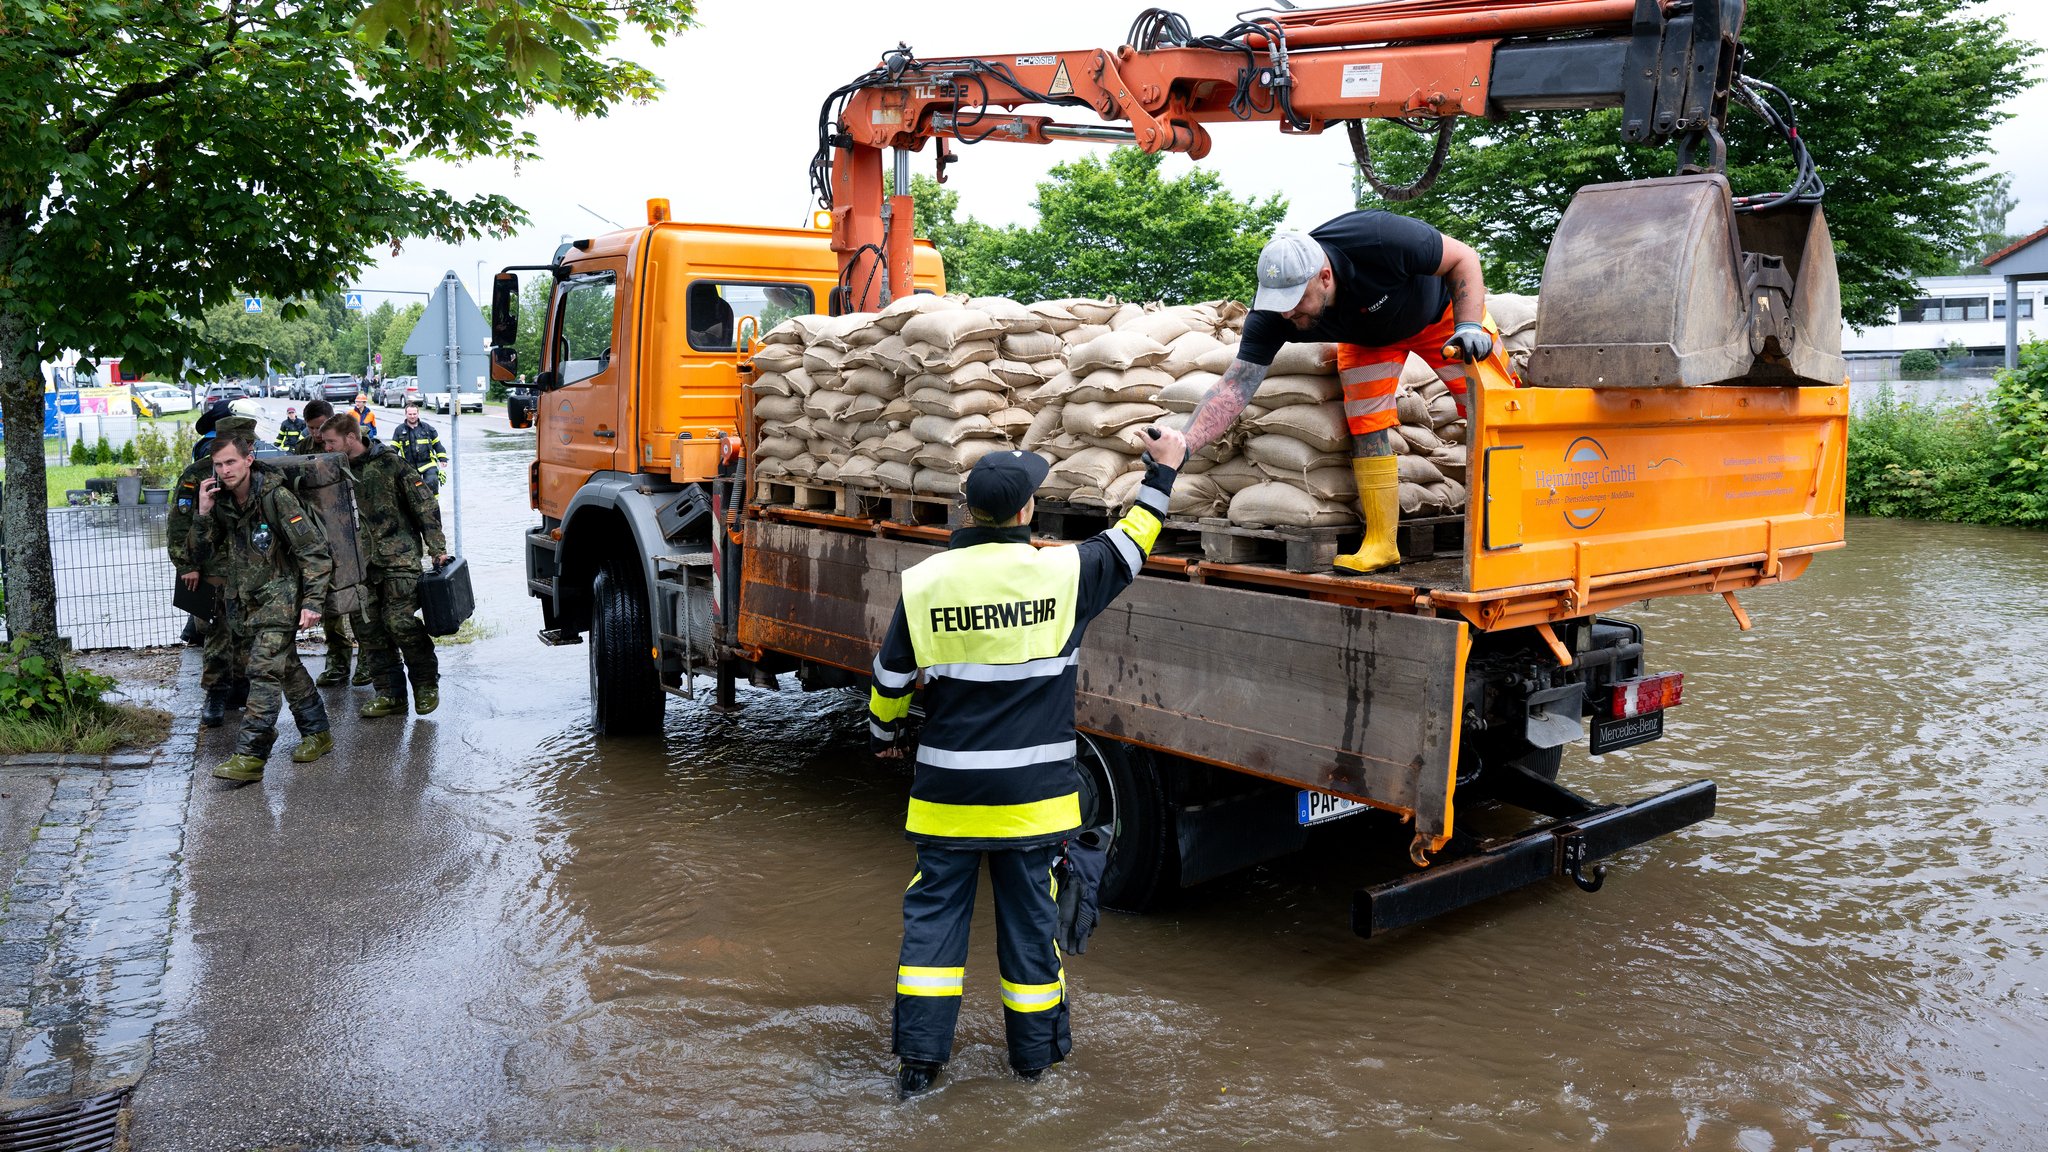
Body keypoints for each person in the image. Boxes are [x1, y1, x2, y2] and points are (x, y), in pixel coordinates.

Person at [868, 430, 1187, 1098]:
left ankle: (920, 1066)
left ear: (969, 511)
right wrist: (1162, 471)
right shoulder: (1063, 574)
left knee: (932, 928)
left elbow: (891, 681)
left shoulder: (926, 583)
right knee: (1031, 932)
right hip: (1033, 802)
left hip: (947, 799)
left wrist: (883, 734)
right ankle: (1034, 1065)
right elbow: (1132, 544)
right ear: (1025, 513)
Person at [1182, 212, 1519, 573]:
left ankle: (1514, 526)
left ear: (1325, 277)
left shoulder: (1378, 239)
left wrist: (1469, 324)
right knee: (1366, 424)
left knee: (1497, 412)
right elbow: (1235, 386)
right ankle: (1381, 543)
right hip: (1368, 341)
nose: (1287, 313)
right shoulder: (1274, 315)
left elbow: (1464, 257)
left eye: (1297, 301)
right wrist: (1185, 444)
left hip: (1444, 319)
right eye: (1280, 304)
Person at [195, 433, 335, 781]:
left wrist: (312, 602)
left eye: (231, 462)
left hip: (281, 598)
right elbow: (202, 554)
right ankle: (318, 732)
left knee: (263, 671)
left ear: (248, 459)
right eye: (219, 464)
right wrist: (202, 513)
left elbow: (314, 553)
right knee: (284, 667)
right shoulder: (221, 501)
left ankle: (251, 755)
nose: (225, 470)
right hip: (243, 603)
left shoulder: (277, 498)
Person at [315, 413, 451, 718]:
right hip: (357, 565)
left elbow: (425, 506)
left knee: (399, 622)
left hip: (397, 557)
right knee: (368, 630)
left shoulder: (390, 463)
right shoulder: (332, 471)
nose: (326, 448)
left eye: (331, 442)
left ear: (350, 438)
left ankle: (426, 682)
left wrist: (437, 549)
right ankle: (390, 694)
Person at [170, 404, 250, 725]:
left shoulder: (254, 469)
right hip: (212, 564)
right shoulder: (196, 474)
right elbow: (178, 525)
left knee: (246, 631)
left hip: (249, 565)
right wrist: (186, 564)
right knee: (216, 630)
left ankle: (240, 688)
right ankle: (216, 694)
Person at [294, 400, 367, 687]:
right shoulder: (302, 450)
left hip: (349, 533)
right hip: (317, 534)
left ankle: (367, 662)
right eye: (310, 428)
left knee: (359, 602)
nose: (315, 434)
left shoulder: (346, 447)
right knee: (329, 606)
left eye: (319, 428)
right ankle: (337, 662)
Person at [388, 400, 450, 495]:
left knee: (432, 482)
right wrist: (389, 462)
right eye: (410, 414)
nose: (412, 416)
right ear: (406, 414)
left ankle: (433, 507)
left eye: (414, 414)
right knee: (410, 491)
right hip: (409, 466)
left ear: (418, 413)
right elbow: (393, 448)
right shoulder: (399, 430)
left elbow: (437, 445)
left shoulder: (428, 429)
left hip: (428, 463)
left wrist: (443, 459)